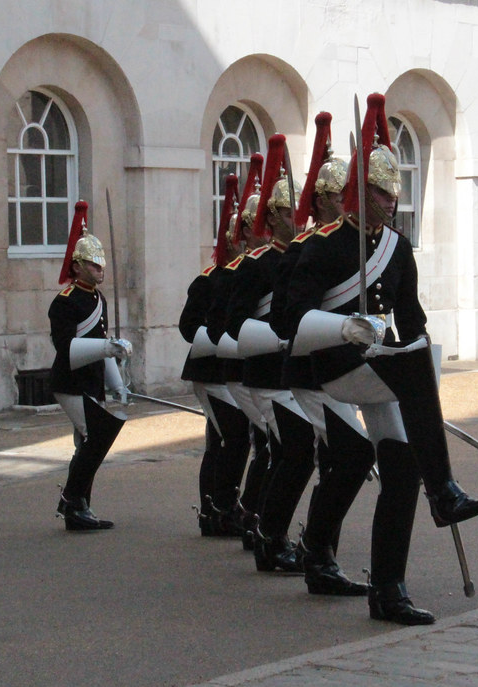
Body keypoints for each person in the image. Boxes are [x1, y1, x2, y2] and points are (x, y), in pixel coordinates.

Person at [282, 93, 478, 626]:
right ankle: (444, 491)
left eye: (393, 190)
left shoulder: (397, 249)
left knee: (400, 469)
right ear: (358, 191)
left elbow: (412, 319)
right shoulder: (325, 245)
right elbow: (290, 321)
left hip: (381, 370)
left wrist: (423, 355)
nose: (390, 200)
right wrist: (344, 325)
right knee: (408, 380)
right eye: (380, 191)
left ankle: (389, 588)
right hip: (334, 367)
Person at [269, 111, 371, 596]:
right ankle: (313, 550)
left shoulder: (360, 246)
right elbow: (286, 320)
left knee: (338, 459)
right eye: (338, 193)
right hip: (311, 372)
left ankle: (321, 551)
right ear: (326, 198)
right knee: (344, 455)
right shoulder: (306, 247)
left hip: (350, 373)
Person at [229, 133, 315, 574]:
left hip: (293, 375)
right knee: (290, 451)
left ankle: (264, 526)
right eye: (288, 212)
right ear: (274, 216)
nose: (296, 218)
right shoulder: (258, 264)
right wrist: (281, 338)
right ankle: (266, 531)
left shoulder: (302, 256)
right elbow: (236, 324)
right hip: (266, 374)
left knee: (289, 453)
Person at [50, 201, 133, 531]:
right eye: (92, 264)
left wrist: (118, 384)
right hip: (70, 381)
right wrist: (107, 346)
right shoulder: (65, 301)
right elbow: (67, 347)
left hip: (93, 381)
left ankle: (79, 505)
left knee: (88, 442)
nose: (100, 269)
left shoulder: (99, 299)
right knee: (96, 436)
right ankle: (72, 500)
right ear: (77, 265)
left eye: (100, 264)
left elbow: (101, 344)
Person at [178, 175, 252, 536]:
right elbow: (188, 326)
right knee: (232, 437)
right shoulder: (209, 280)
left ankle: (216, 506)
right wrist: (223, 341)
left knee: (225, 437)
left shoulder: (247, 276)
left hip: (231, 371)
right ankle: (219, 506)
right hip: (210, 370)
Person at [209, 154, 271, 549]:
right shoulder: (235, 273)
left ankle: (252, 514)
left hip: (271, 371)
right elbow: (218, 328)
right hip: (245, 374)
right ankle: (236, 511)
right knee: (247, 443)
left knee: (262, 445)